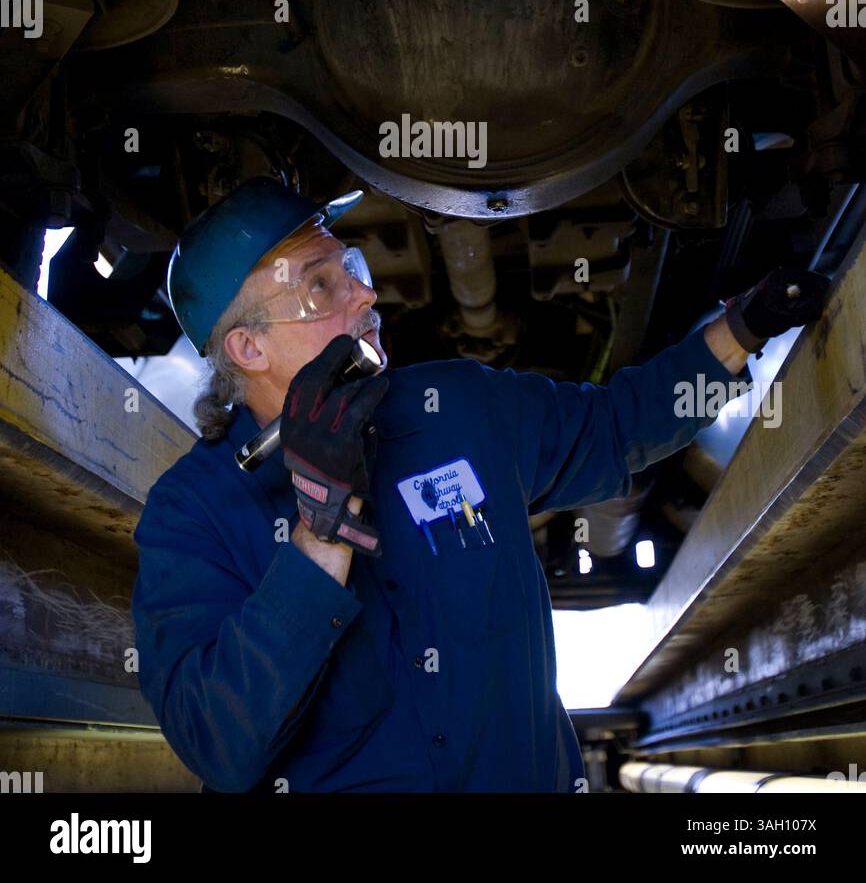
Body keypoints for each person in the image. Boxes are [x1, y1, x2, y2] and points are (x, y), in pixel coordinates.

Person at [131, 176, 830, 793]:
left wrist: (745, 327)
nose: (366, 293)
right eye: (323, 284)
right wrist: (320, 531)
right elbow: (220, 745)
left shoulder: (459, 408)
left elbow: (620, 425)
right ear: (249, 348)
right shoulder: (189, 516)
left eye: (352, 267)